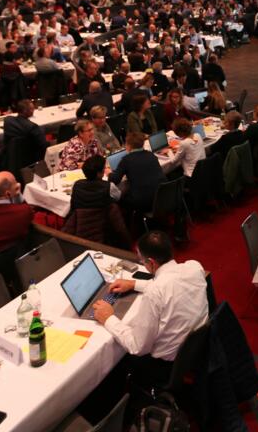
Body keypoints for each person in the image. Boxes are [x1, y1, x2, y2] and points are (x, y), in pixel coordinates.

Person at [91, 231, 208, 390]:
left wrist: (108, 318)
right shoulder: (195, 267)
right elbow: (172, 285)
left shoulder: (154, 293)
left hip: (163, 367)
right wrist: (134, 284)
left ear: (151, 263)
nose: (143, 264)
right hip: (193, 353)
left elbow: (137, 347)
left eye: (142, 261)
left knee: (117, 356)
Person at [109, 132, 163, 215]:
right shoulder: (151, 155)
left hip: (143, 203)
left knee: (117, 199)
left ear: (128, 146)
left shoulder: (126, 160)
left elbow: (114, 180)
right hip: (161, 197)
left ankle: (131, 224)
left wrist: (109, 173)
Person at [3, 99, 48, 165]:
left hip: (11, 157)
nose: (33, 110)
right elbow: (44, 146)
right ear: (25, 111)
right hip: (31, 159)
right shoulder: (32, 127)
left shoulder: (7, 120)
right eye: (32, 109)